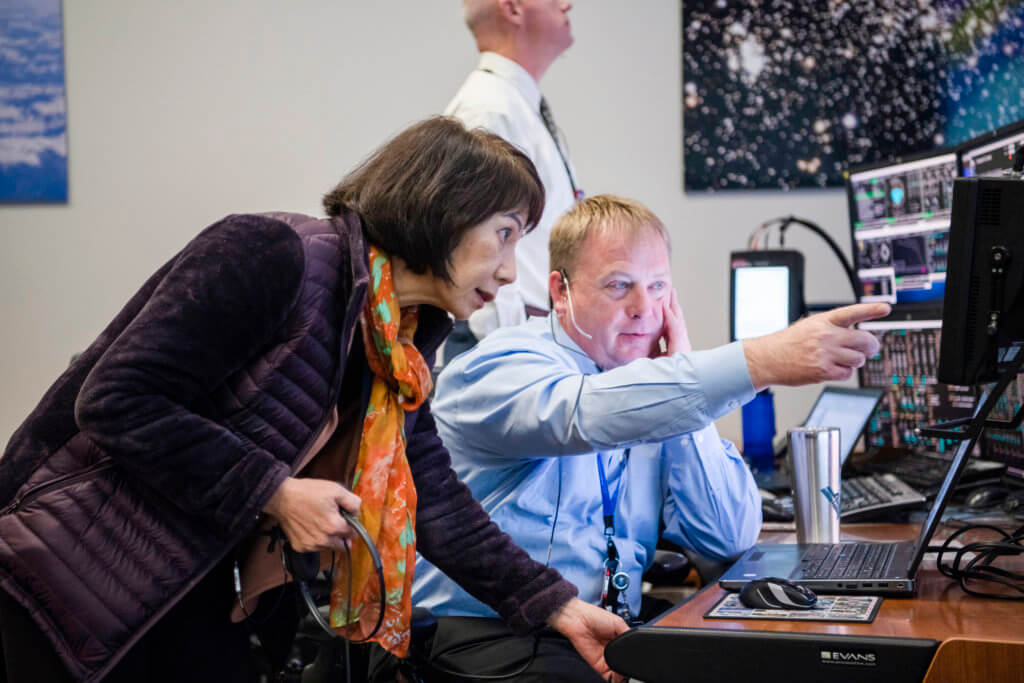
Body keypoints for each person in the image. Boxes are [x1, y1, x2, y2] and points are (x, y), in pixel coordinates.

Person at [0, 118, 627, 683]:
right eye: (505, 233)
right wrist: (274, 491)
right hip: (65, 579)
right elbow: (116, 400)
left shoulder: (396, 339)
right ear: (445, 209)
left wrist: (556, 605)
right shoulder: (272, 253)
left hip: (200, 594)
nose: (512, 270)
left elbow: (431, 491)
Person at [410, 194, 890, 680]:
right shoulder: (500, 365)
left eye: (657, 286)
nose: (644, 309)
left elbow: (726, 536)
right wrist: (760, 360)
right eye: (619, 286)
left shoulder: (656, 389)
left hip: (606, 630)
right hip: (488, 632)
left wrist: (681, 378)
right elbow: (587, 413)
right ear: (561, 291)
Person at [444, 0, 579, 350]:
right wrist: (510, 349)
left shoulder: (514, 106)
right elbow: (480, 242)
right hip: (505, 340)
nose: (568, 4)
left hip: (529, 335)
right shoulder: (489, 110)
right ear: (514, 8)